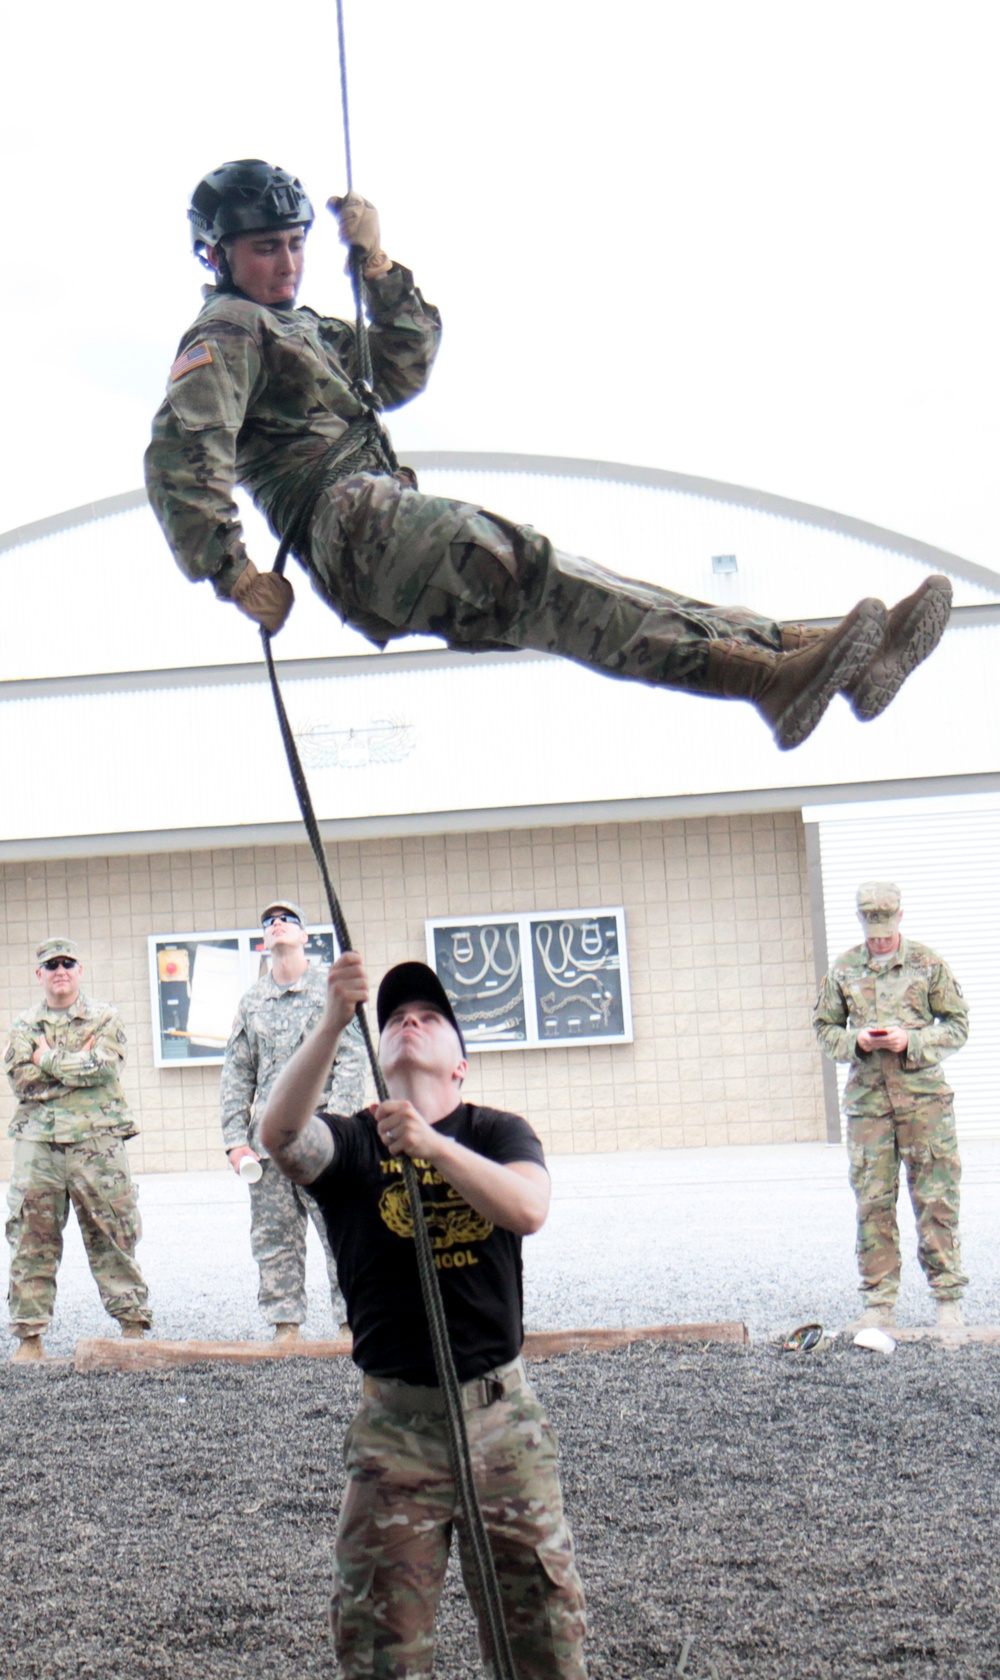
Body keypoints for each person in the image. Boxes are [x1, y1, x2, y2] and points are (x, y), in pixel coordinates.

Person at [144, 158, 953, 753]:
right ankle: (775, 675)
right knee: (557, 587)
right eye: (264, 250)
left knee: (587, 598)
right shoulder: (227, 332)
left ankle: (812, 656)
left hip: (379, 527)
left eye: (294, 244)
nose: (286, 264)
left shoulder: (303, 329)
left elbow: (399, 369)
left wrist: (379, 266)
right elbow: (181, 457)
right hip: (356, 523)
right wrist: (234, 573)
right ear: (216, 256)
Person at [259, 953, 586, 1678]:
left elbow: (528, 1208)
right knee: (381, 1645)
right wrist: (329, 1024)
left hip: (502, 1424)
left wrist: (431, 1145)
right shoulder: (348, 1146)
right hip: (395, 1432)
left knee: (545, 1641)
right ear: (377, 1053)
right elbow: (279, 1138)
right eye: (397, 1017)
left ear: (460, 1065)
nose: (410, 1021)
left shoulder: (499, 1133)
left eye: (430, 1017)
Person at [813, 881, 969, 1329]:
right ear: (861, 922)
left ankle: (947, 1298)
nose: (879, 937)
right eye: (871, 929)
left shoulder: (927, 964)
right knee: (873, 1202)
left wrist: (913, 1041)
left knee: (936, 1197)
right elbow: (824, 1028)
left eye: (886, 927)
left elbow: (958, 1024)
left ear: (900, 917)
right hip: (868, 1105)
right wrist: (855, 1041)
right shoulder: (843, 970)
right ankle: (879, 1303)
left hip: (924, 1102)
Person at [221, 899, 367, 1340]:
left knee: (339, 1230)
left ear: (305, 936)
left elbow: (353, 1059)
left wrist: (337, 1129)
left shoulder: (330, 992)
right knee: (274, 1236)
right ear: (264, 941)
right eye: (269, 922)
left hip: (320, 1135)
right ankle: (285, 1326)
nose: (277, 925)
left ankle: (351, 1323)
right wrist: (233, 1139)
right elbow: (237, 1070)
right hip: (267, 1145)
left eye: (287, 920)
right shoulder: (252, 1001)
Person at [3, 938, 152, 1362]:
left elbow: (104, 1067)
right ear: (40, 975)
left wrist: (48, 1057)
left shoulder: (105, 1017)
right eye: (51, 965)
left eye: (68, 963)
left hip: (97, 1141)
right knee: (32, 1237)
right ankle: (29, 1337)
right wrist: (75, 1065)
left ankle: (133, 1327)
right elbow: (21, 1082)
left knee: (113, 1232)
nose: (60, 970)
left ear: (80, 970)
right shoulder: (23, 1024)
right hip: (39, 1146)